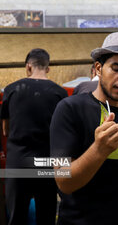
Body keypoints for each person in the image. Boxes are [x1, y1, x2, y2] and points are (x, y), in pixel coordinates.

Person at [50, 32, 118, 225]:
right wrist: (100, 149)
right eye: (116, 68)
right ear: (98, 68)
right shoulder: (69, 109)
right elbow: (63, 181)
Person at [1, 48, 68, 225]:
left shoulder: (11, 90)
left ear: (28, 67)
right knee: (46, 218)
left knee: (16, 219)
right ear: (48, 68)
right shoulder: (60, 93)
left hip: (18, 162)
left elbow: (6, 130)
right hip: (46, 164)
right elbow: (63, 132)